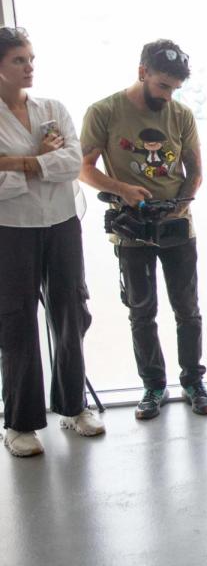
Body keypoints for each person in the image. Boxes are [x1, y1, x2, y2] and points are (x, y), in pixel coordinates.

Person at [79, 39, 207, 420]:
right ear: (142, 73)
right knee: (142, 311)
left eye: (175, 89)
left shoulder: (182, 115)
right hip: (130, 227)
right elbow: (84, 168)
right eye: (162, 86)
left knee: (187, 309)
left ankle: (193, 381)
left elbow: (197, 173)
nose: (169, 96)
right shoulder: (104, 111)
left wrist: (179, 207)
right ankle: (153, 386)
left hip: (176, 226)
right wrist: (122, 189)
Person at [0, 27, 103, 457]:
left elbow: (69, 164)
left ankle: (73, 406)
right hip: (11, 229)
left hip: (61, 222)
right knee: (17, 319)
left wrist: (19, 164)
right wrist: (41, 160)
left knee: (70, 309)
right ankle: (20, 424)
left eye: (30, 58)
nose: (29, 67)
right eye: (18, 61)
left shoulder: (53, 108)